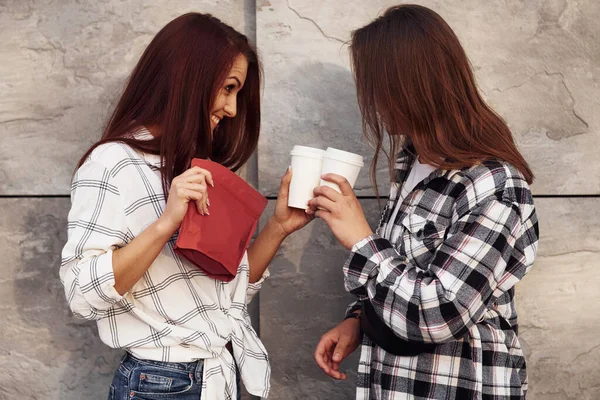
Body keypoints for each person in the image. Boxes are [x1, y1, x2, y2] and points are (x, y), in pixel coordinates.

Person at [59, 13, 311, 400]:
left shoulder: (193, 167)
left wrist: (278, 228)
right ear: (188, 79)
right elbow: (80, 294)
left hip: (213, 378)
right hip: (161, 384)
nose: (230, 108)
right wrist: (164, 224)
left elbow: (226, 298)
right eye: (228, 88)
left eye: (237, 94)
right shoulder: (113, 163)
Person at [310, 4, 539, 399]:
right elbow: (406, 270)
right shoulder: (412, 163)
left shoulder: (494, 185)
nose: (374, 102)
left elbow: (440, 312)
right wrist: (359, 321)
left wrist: (362, 241)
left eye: (377, 86)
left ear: (410, 84)